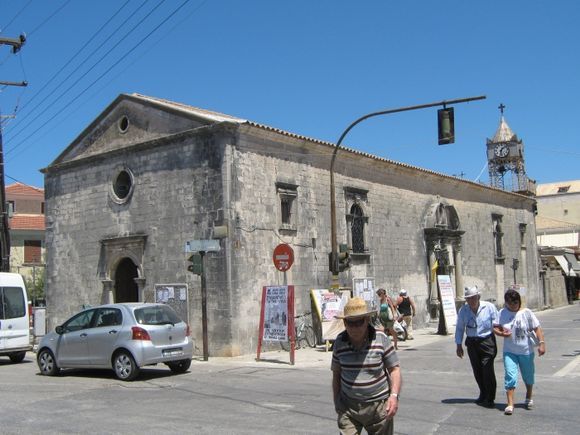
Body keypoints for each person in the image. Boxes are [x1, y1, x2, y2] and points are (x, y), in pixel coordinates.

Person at [332, 297, 402, 435]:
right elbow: (336, 374)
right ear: (344, 323)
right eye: (350, 323)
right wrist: (337, 401)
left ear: (367, 320)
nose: (354, 327)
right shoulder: (339, 342)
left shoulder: (381, 338)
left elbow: (394, 369)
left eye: (359, 322)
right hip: (348, 407)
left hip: (379, 407)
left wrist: (393, 396)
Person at [493, 289, 546, 415]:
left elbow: (537, 328)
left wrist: (542, 344)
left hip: (526, 351)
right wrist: (501, 333)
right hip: (509, 351)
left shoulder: (526, 313)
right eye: (511, 303)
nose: (513, 305)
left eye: (515, 303)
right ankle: (510, 404)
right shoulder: (502, 313)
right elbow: (495, 327)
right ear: (506, 303)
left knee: (528, 375)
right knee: (510, 376)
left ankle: (528, 396)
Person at [455, 286, 498, 408]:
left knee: (487, 369)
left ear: (478, 297)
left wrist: (502, 332)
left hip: (487, 341)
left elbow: (496, 323)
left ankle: (490, 397)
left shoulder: (489, 307)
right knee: (477, 370)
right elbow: (459, 328)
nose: (471, 301)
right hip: (472, 342)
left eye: (473, 298)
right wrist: (459, 345)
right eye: (468, 299)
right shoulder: (463, 311)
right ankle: (483, 393)